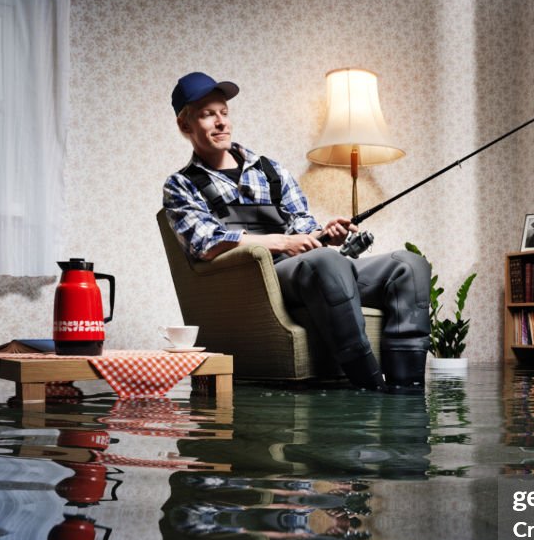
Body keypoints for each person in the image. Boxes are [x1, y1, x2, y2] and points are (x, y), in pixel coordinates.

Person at [163, 72, 431, 390]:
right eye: (208, 115)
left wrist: (324, 234)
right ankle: (370, 389)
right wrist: (280, 243)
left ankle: (407, 394)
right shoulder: (181, 184)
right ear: (185, 125)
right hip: (257, 278)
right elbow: (204, 243)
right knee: (327, 263)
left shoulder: (271, 170)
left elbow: (302, 224)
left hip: (309, 268)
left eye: (224, 112)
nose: (221, 122)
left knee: (409, 266)